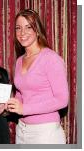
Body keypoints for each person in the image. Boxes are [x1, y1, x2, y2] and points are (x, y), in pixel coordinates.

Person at [7, 9, 69, 144]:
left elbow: (62, 100)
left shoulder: (51, 58)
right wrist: (8, 104)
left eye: (28, 27)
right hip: (21, 130)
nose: (22, 33)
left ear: (37, 30)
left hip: (46, 132)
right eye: (18, 28)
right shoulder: (19, 61)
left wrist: (25, 109)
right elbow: (21, 94)